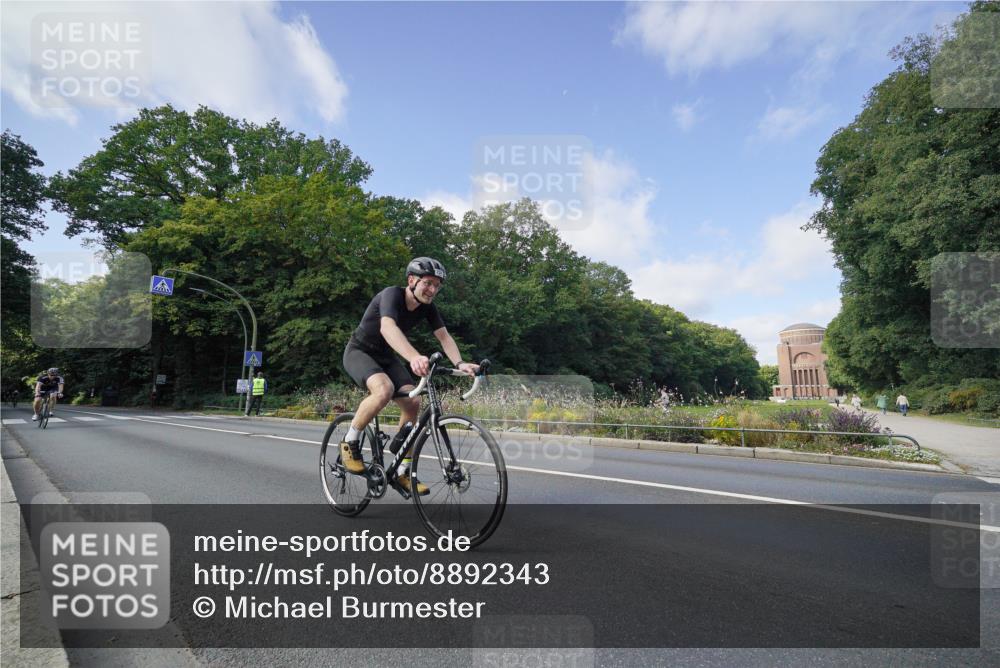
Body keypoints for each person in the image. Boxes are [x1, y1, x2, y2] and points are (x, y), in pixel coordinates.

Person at [340, 257, 478, 496]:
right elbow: (388, 328)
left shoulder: (427, 307)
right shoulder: (391, 295)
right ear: (412, 280)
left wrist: (460, 363)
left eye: (437, 285)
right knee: (383, 390)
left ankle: (402, 471)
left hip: (385, 356)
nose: (432, 289)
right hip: (359, 351)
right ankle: (350, 442)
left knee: (413, 401)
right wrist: (414, 356)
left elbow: (444, 337)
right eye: (428, 283)